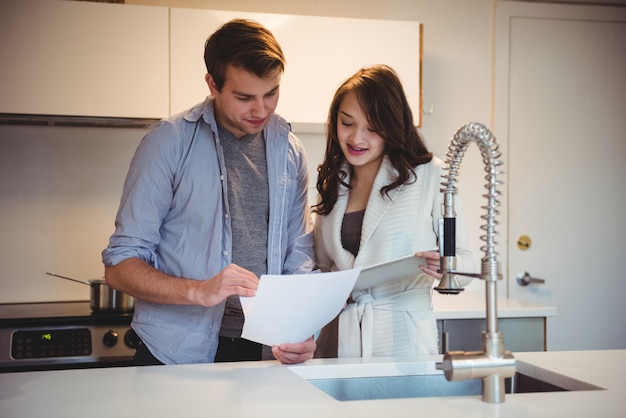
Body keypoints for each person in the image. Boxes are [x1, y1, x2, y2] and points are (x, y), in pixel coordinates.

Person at [102, 18, 316, 365]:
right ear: (212, 85)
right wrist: (200, 291)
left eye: (271, 93)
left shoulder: (290, 151)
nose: (261, 110)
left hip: (262, 350)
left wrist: (302, 327)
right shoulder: (167, 143)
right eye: (244, 97)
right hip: (175, 351)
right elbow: (120, 266)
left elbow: (298, 261)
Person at [312, 64, 475, 358]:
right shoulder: (332, 181)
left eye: (372, 128)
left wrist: (445, 267)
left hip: (402, 339)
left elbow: (463, 262)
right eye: (347, 123)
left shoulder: (430, 175)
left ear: (393, 126)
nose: (357, 138)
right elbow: (323, 268)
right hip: (338, 338)